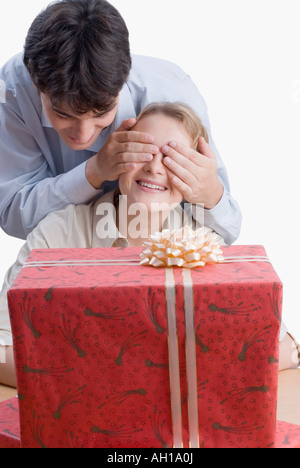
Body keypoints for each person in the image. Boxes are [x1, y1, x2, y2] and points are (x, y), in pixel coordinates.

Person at [0, 102, 298, 388]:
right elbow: (2, 350)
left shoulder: (203, 245)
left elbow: (278, 345)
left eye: (174, 159)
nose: (156, 168)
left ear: (194, 176)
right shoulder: (57, 235)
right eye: (144, 151)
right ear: (119, 156)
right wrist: (109, 375)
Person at [0, 0, 241, 244]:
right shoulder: (13, 90)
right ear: (35, 84)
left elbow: (226, 230)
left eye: (101, 113)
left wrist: (211, 196)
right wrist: (94, 171)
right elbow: (12, 216)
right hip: (64, 249)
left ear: (123, 79)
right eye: (62, 114)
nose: (83, 135)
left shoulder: (171, 94)